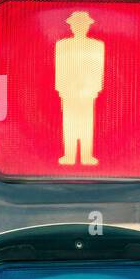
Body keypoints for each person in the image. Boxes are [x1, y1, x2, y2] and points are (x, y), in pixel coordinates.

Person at [54, 10, 105, 166]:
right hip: (68, 91)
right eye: (76, 24)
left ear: (88, 26)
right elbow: (60, 68)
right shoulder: (62, 45)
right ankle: (69, 156)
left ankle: (86, 156)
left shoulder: (97, 45)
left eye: (82, 24)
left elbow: (98, 68)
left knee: (86, 123)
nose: (79, 27)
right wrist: (61, 89)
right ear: (71, 26)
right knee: (69, 123)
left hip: (88, 91)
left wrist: (94, 88)